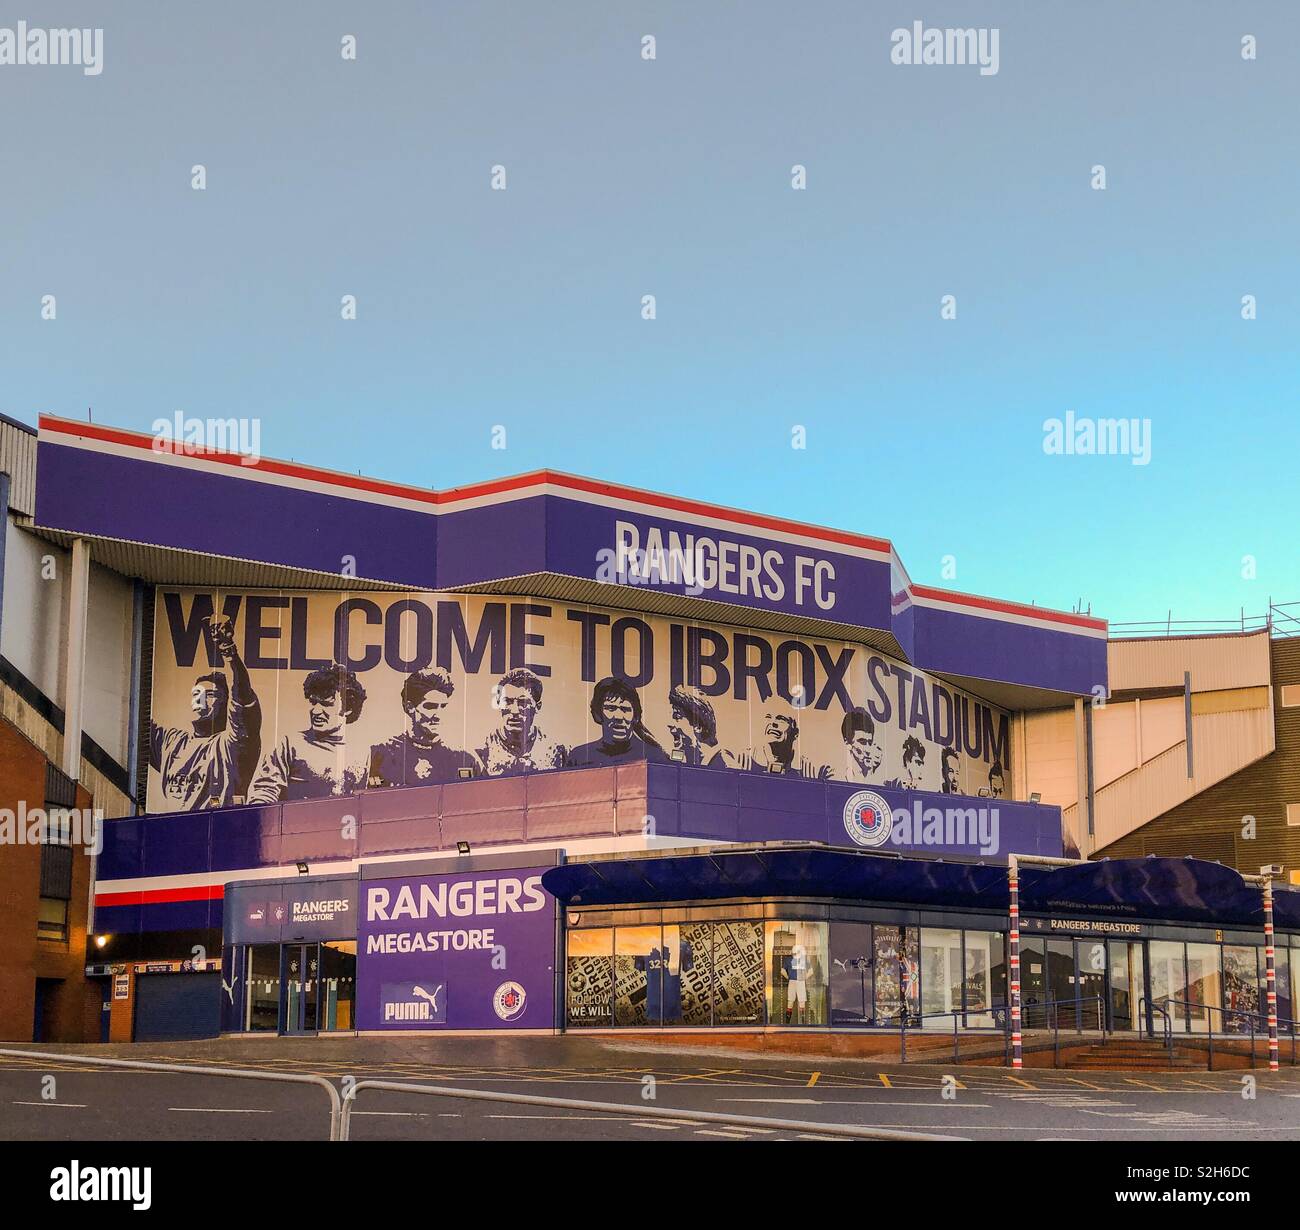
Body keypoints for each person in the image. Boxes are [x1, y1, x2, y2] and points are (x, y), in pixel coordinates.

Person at [150, 615, 261, 809]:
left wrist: (229, 652)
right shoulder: (172, 743)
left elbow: (242, 698)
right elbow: (135, 724)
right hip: (173, 836)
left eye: (209, 694)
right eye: (196, 693)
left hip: (219, 835)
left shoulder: (232, 744)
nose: (199, 699)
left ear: (225, 702)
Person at [248, 664, 369, 801]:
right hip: (298, 822)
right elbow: (263, 793)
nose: (316, 711)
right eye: (313, 702)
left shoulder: (362, 751)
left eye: (326, 704)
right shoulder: (289, 743)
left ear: (348, 709)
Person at [368, 667, 483, 786]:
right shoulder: (382, 753)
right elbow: (372, 799)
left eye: (443, 706)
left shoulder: (464, 757)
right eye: (430, 706)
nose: (438, 715)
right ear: (409, 707)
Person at [474, 668, 566, 776]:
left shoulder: (557, 751)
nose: (514, 711)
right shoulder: (482, 752)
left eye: (523, 703)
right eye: (507, 702)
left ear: (537, 707)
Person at [566, 676, 669, 766]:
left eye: (625, 709)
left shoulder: (654, 756)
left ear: (636, 716)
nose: (618, 717)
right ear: (597, 714)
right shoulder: (579, 756)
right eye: (611, 708)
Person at [738, 700, 832, 779]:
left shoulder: (813, 770)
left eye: (781, 719)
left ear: (795, 734)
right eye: (768, 717)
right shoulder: (742, 760)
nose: (773, 723)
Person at [664, 685, 739, 768]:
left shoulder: (724, 762)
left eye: (677, 717)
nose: (670, 724)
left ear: (698, 727)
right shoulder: (686, 758)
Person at [841, 707, 883, 783]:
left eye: (870, 743)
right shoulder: (839, 777)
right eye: (862, 742)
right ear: (847, 742)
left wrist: (872, 771)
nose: (868, 750)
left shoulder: (872, 774)